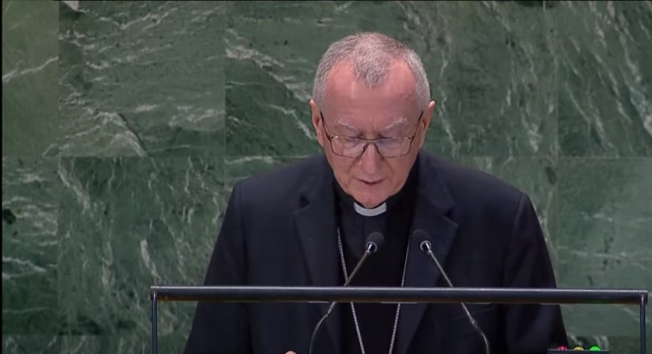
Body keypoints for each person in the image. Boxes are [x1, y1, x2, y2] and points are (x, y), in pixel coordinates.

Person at [184, 32, 567, 354]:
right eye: (349, 138)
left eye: (391, 138)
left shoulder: (499, 217)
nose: (370, 164)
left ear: (424, 123)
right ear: (318, 123)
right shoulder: (258, 214)